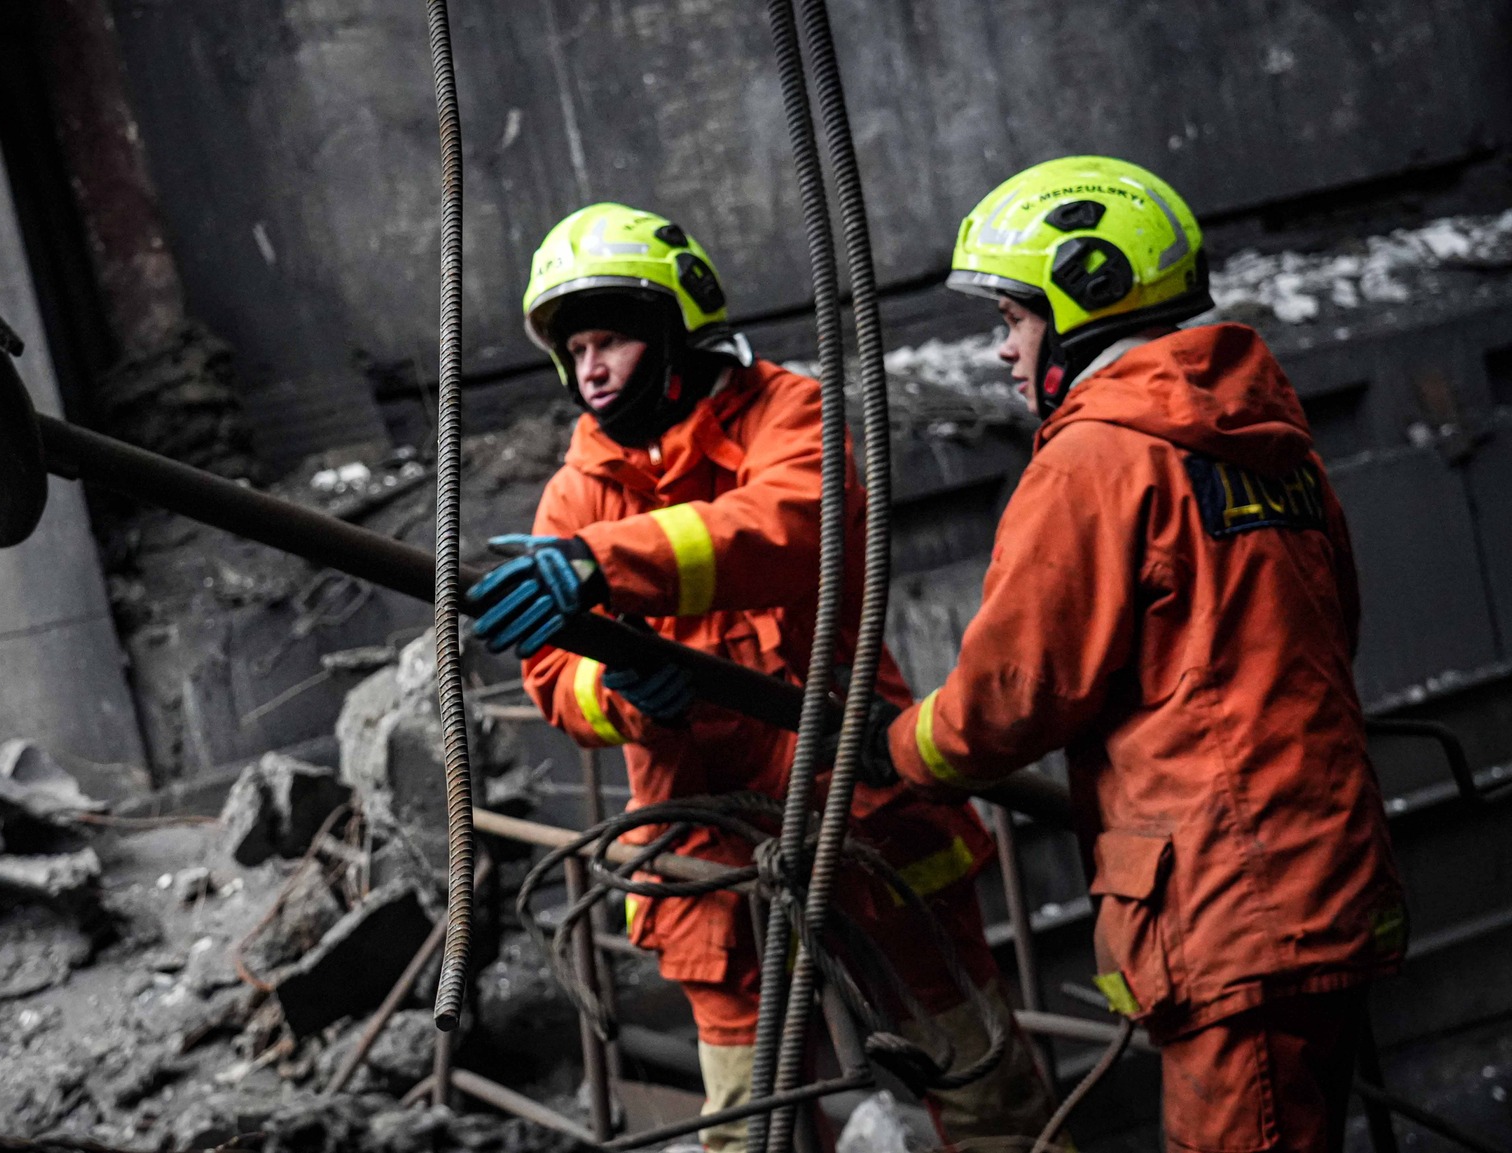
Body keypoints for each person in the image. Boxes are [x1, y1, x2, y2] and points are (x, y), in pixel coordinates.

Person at [469, 202, 1057, 1150]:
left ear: (675, 326)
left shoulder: (787, 412)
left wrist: (602, 563)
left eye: (611, 336)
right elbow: (554, 675)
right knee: (751, 1131)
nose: (591, 367)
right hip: (704, 837)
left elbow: (794, 524)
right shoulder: (573, 492)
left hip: (860, 804)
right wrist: (624, 697)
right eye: (575, 348)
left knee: (987, 1091)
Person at [872, 155, 1408, 1152]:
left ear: (1087, 293)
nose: (1001, 351)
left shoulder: (1094, 459)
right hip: (1319, 878)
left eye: (1011, 319)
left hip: (1228, 910)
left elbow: (1014, 692)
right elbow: (1333, 625)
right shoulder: (1272, 441)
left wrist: (901, 750)